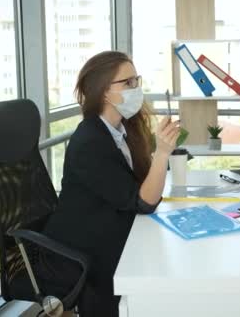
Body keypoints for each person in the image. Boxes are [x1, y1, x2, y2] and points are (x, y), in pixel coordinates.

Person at [39, 51, 180, 316]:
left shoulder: (122, 130)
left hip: (112, 227)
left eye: (136, 81)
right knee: (162, 264)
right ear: (104, 92)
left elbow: (141, 189)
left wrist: (160, 154)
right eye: (127, 83)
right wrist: (162, 153)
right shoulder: (89, 142)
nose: (135, 89)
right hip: (84, 250)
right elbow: (143, 202)